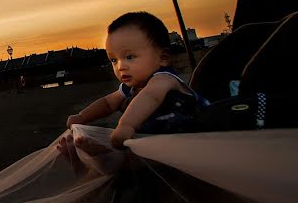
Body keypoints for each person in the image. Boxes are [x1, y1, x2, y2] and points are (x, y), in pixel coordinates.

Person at [63, 11, 207, 151]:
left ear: (163, 58)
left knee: (125, 147)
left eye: (130, 57)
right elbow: (108, 103)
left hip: (199, 139)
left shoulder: (164, 79)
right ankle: (100, 153)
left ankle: (105, 152)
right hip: (158, 142)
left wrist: (126, 125)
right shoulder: (130, 88)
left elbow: (150, 96)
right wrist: (83, 116)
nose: (120, 66)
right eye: (114, 60)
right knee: (123, 153)